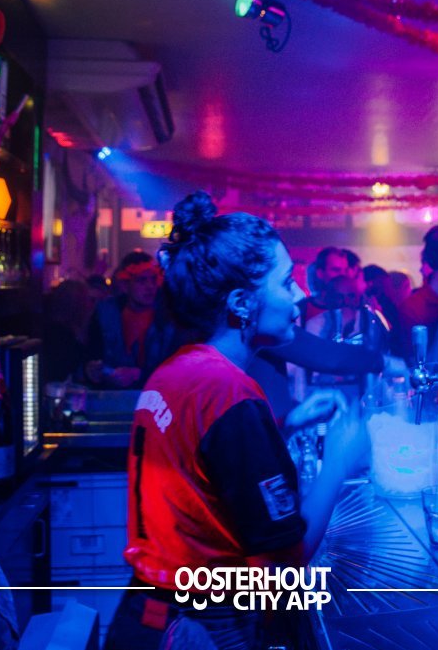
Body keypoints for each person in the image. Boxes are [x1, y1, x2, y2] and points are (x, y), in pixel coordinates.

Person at [117, 192, 368, 649]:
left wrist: (285, 425)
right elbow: (286, 564)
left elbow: (201, 465)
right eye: (286, 282)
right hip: (204, 627)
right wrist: (339, 460)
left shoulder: (177, 371)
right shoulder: (231, 395)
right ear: (241, 303)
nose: (300, 296)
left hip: (147, 613)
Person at [84, 251, 163, 389]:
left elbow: (177, 367)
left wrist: (141, 375)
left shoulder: (167, 316)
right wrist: (90, 370)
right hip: (111, 396)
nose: (150, 286)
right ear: (125, 286)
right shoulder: (105, 312)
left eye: (153, 280)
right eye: (142, 280)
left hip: (156, 395)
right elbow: (91, 354)